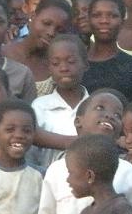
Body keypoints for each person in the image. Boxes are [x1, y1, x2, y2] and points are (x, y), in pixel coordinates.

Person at [31, 34, 89, 167]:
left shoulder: (95, 106)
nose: (63, 68)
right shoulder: (40, 106)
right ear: (49, 68)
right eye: (56, 63)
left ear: (85, 64)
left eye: (71, 61)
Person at [83, 0, 132, 102]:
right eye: (97, 15)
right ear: (89, 20)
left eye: (112, 16)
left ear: (122, 21)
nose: (104, 21)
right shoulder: (76, 63)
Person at [3, 0, 71, 97]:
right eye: (46, 23)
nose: (51, 32)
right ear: (33, 16)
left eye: (60, 30)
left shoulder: (59, 67)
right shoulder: (2, 55)